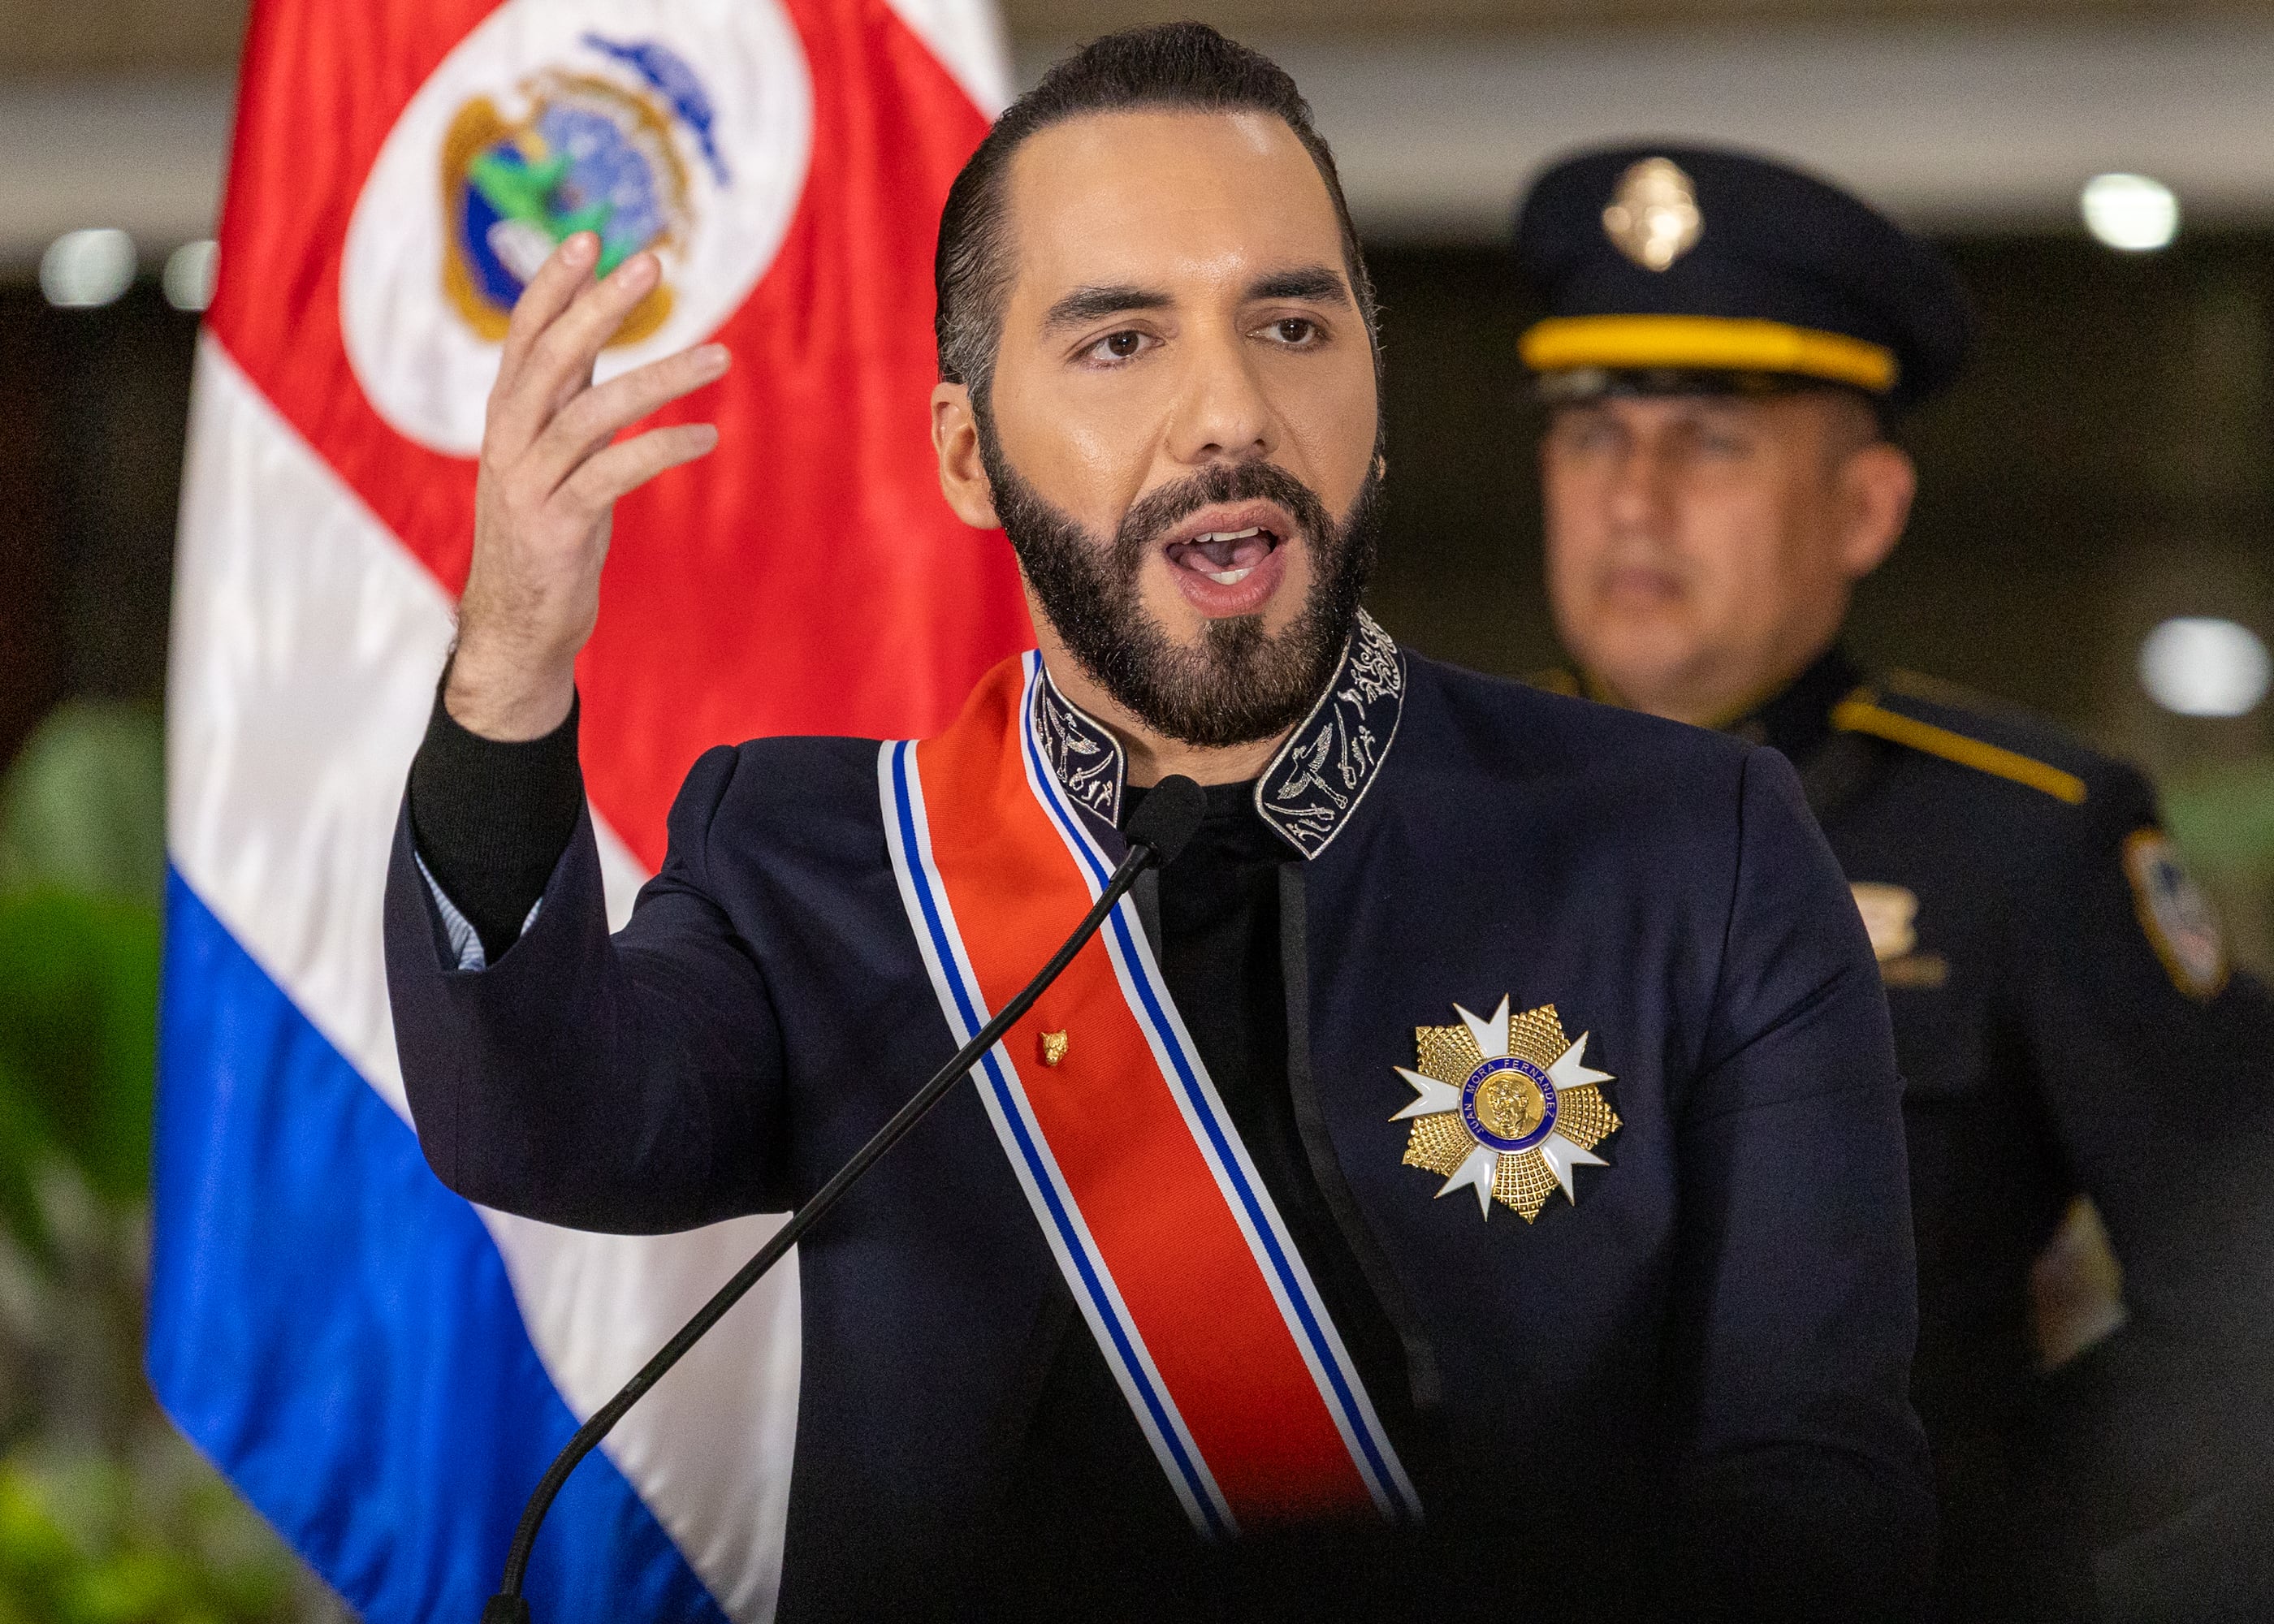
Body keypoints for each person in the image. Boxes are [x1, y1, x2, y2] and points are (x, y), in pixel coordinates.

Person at [385, 31, 1933, 1622]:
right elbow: (531, 1122)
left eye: (1290, 324)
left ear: (1376, 407)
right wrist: (508, 663)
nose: (1229, 411)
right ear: (969, 456)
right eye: (1122, 341)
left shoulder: (1692, 848)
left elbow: (1816, 1493)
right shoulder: (815, 855)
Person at [1513, 144, 2274, 1619]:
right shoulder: (1416, 820)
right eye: (1593, 434)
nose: (1634, 499)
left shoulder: (2027, 836)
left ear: (1864, 508)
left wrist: (1971, 1523)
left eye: (1713, 438)